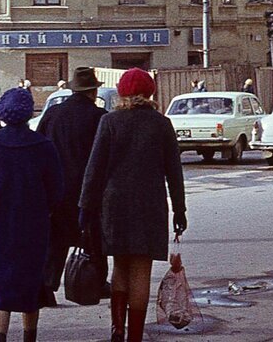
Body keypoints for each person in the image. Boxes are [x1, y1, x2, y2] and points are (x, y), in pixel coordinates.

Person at [80, 68, 186, 342]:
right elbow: (174, 171)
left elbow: (94, 169)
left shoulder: (109, 122)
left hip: (114, 205)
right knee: (141, 269)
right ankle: (135, 336)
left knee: (120, 266)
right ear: (149, 92)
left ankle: (117, 329)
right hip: (150, 205)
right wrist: (180, 210)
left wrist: (85, 208)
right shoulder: (162, 124)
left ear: (122, 92)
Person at [0, 88, 63, 342]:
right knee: (31, 282)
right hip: (35, 227)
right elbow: (57, 190)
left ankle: (0, 337)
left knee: (0, 286)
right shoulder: (43, 146)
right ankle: (29, 336)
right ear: (29, 113)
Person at [37, 66, 107, 305]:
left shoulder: (53, 113)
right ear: (92, 91)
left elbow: (40, 144)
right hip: (86, 188)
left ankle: (47, 286)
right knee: (92, 236)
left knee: (55, 240)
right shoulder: (99, 116)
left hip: (55, 188)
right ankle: (94, 281)